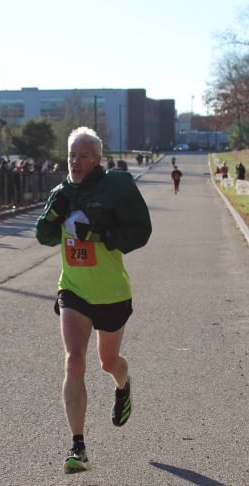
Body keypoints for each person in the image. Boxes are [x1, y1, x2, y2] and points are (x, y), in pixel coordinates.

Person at [36, 126, 152, 475]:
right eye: (71, 155)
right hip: (73, 288)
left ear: (98, 159)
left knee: (107, 361)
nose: (76, 162)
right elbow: (43, 236)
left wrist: (100, 233)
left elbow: (140, 232)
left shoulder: (116, 187)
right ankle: (78, 446)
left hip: (112, 292)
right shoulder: (61, 192)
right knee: (74, 361)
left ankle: (123, 382)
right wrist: (53, 213)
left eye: (84, 156)